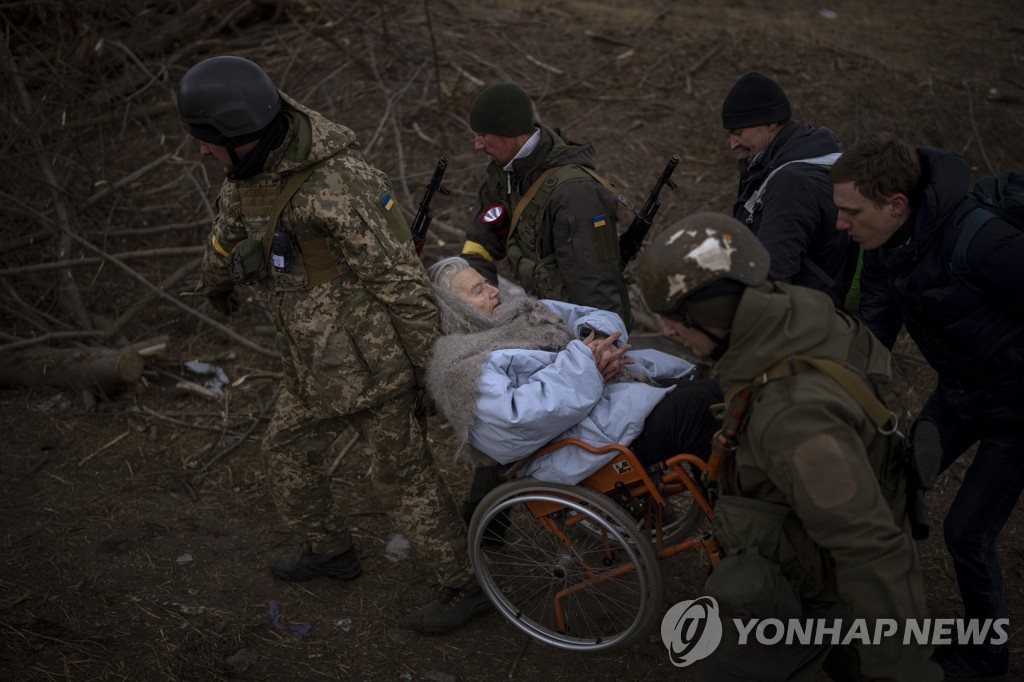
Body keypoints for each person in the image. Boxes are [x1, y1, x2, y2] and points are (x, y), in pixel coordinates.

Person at [176, 55, 489, 634]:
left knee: (402, 477)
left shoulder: (340, 182)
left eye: (206, 141)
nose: (199, 151)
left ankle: (466, 584)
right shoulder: (246, 175)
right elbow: (226, 239)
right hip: (309, 365)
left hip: (372, 367)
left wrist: (431, 368)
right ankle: (329, 551)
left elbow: (401, 282)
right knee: (286, 453)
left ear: (241, 136)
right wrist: (216, 282)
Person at [635, 212, 941, 681]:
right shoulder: (800, 312)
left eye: (677, 320)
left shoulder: (794, 417)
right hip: (812, 548)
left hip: (801, 589)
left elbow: (868, 547)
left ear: (714, 309)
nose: (670, 332)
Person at [831, 132, 1024, 682]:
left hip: (1016, 414)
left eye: (851, 212)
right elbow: (871, 337)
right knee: (895, 480)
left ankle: (987, 660)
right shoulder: (888, 246)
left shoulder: (987, 242)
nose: (841, 225)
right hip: (961, 393)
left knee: (967, 533)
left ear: (895, 204)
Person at [425, 256, 721, 487]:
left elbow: (592, 315)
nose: (493, 291)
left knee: (716, 396)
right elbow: (513, 422)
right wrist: (587, 364)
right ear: (454, 310)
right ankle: (733, 524)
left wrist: (600, 340)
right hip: (575, 447)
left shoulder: (520, 312)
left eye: (487, 282)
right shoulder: (460, 365)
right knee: (699, 411)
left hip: (609, 406)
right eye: (478, 291)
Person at [459, 81, 634, 330]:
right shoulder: (502, 175)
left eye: (483, 135)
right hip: (544, 322)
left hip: (583, 330)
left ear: (509, 131)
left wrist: (598, 345)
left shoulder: (575, 193)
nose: (477, 144)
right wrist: (476, 308)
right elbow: (479, 245)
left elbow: (595, 285)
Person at [722, 71, 856, 308]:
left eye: (738, 133)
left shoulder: (792, 183)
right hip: (819, 318)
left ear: (770, 123)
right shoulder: (803, 159)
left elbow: (770, 275)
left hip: (801, 327)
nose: (732, 144)